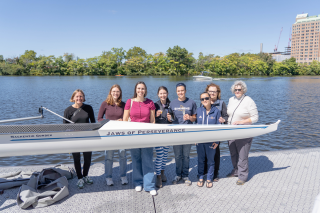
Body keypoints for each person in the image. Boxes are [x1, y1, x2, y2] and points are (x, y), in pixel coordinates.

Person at [123, 81, 157, 196]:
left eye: (143, 89)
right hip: (133, 135)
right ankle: (138, 182)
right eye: (139, 88)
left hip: (147, 135)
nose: (140, 91)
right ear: (136, 90)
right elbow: (125, 120)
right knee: (136, 159)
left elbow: (152, 121)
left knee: (148, 160)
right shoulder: (129, 102)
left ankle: (149, 185)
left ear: (145, 90)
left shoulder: (150, 103)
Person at [226, 80, 258, 185]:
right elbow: (229, 114)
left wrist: (241, 122)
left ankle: (242, 176)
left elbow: (255, 118)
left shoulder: (248, 100)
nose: (237, 91)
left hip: (244, 132)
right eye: (235, 90)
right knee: (233, 153)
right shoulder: (231, 100)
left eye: (239, 89)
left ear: (243, 90)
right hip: (231, 131)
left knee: (242, 155)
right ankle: (236, 171)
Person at [63, 89, 96, 189]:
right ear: (73, 98)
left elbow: (93, 123)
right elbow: (64, 127)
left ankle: (85, 175)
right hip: (74, 138)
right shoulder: (68, 110)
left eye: (81, 96)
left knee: (87, 158)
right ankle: (79, 178)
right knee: (76, 158)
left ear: (83, 97)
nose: (79, 98)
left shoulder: (88, 108)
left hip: (87, 137)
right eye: (77, 96)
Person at [97, 84, 128, 186]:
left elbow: (127, 118)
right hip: (109, 134)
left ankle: (123, 176)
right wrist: (112, 121)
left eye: (117, 91)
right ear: (110, 92)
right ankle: (108, 177)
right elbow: (99, 119)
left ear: (120, 93)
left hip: (121, 134)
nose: (116, 93)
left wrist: (122, 120)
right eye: (114, 91)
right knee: (109, 156)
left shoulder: (123, 104)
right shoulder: (105, 104)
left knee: (122, 155)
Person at [167, 83, 197, 186]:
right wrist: (169, 119)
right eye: (179, 91)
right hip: (176, 134)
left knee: (186, 155)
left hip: (188, 133)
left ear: (185, 91)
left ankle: (185, 175)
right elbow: (170, 118)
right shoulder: (172, 103)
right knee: (178, 156)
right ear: (176, 92)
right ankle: (178, 175)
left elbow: (195, 118)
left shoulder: (191, 102)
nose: (180, 92)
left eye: (182, 90)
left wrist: (190, 118)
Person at [196, 92, 221, 188]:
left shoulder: (216, 111)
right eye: (202, 99)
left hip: (211, 141)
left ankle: (209, 178)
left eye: (206, 98)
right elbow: (196, 126)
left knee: (211, 161)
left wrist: (217, 141)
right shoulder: (199, 110)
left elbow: (219, 127)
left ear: (210, 99)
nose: (204, 100)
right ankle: (201, 177)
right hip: (200, 141)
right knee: (200, 160)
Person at [205, 83, 229, 182]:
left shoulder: (221, 103)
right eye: (210, 91)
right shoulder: (204, 101)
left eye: (214, 91)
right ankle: (206, 172)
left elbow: (226, 116)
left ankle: (215, 173)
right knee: (205, 153)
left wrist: (223, 119)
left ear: (217, 93)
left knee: (215, 153)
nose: (212, 93)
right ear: (207, 92)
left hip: (217, 133)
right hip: (205, 133)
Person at [154, 86, 171, 188]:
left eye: (164, 93)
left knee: (165, 155)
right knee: (159, 155)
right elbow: (151, 119)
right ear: (158, 94)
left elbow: (173, 119)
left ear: (167, 94)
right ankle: (158, 176)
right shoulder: (155, 105)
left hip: (168, 133)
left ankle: (162, 171)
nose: (163, 95)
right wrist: (155, 115)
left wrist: (170, 119)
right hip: (158, 133)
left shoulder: (170, 105)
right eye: (161, 93)